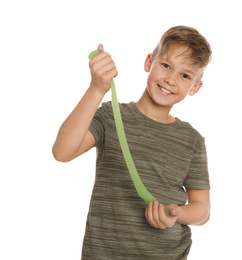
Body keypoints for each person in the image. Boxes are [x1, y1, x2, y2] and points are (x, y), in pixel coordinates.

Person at [52, 25, 212, 259]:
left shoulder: (192, 141)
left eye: (185, 75)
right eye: (166, 65)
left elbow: (203, 210)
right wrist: (97, 89)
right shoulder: (110, 116)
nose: (170, 79)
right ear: (149, 62)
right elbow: (62, 152)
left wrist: (175, 214)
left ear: (194, 87)